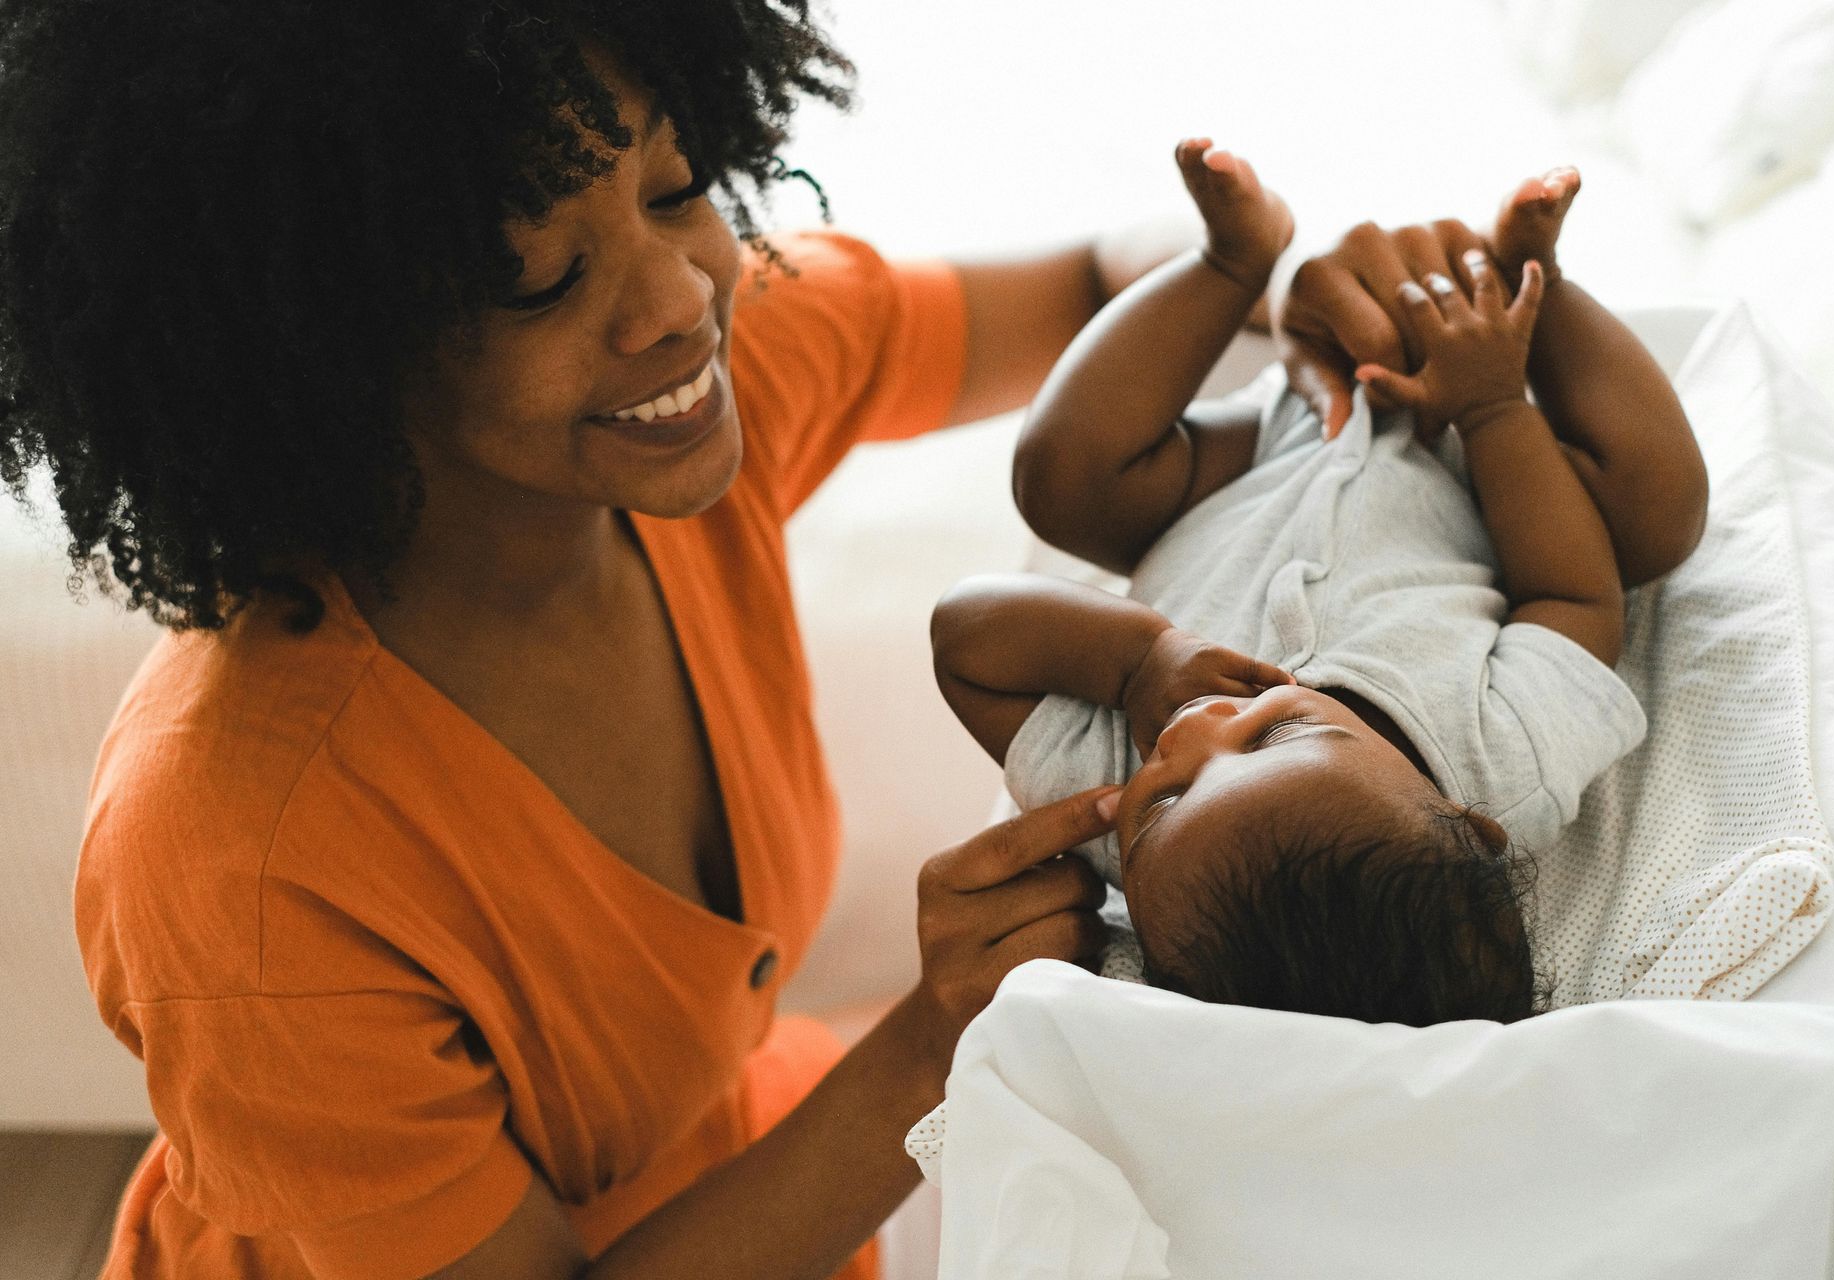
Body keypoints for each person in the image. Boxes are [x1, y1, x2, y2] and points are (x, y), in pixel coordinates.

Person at [0, 3, 1633, 1275]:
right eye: (541, 279)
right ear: (313, 351)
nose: (681, 297)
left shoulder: (708, 389)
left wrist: (1272, 290)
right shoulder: (243, 864)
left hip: (772, 1173)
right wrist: (927, 1042)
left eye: (674, 181)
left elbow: (1087, 278)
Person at [930, 141, 1709, 1020]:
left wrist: (1143, 657)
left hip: (1255, 464)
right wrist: (1494, 409)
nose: (1194, 736)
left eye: (1163, 804)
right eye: (1269, 739)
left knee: (1060, 479)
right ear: (1470, 827)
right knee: (1657, 513)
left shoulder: (1103, 789)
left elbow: (967, 633)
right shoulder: (1502, 764)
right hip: (1478, 475)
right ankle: (1536, 282)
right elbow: (1573, 596)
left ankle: (1229, 262)